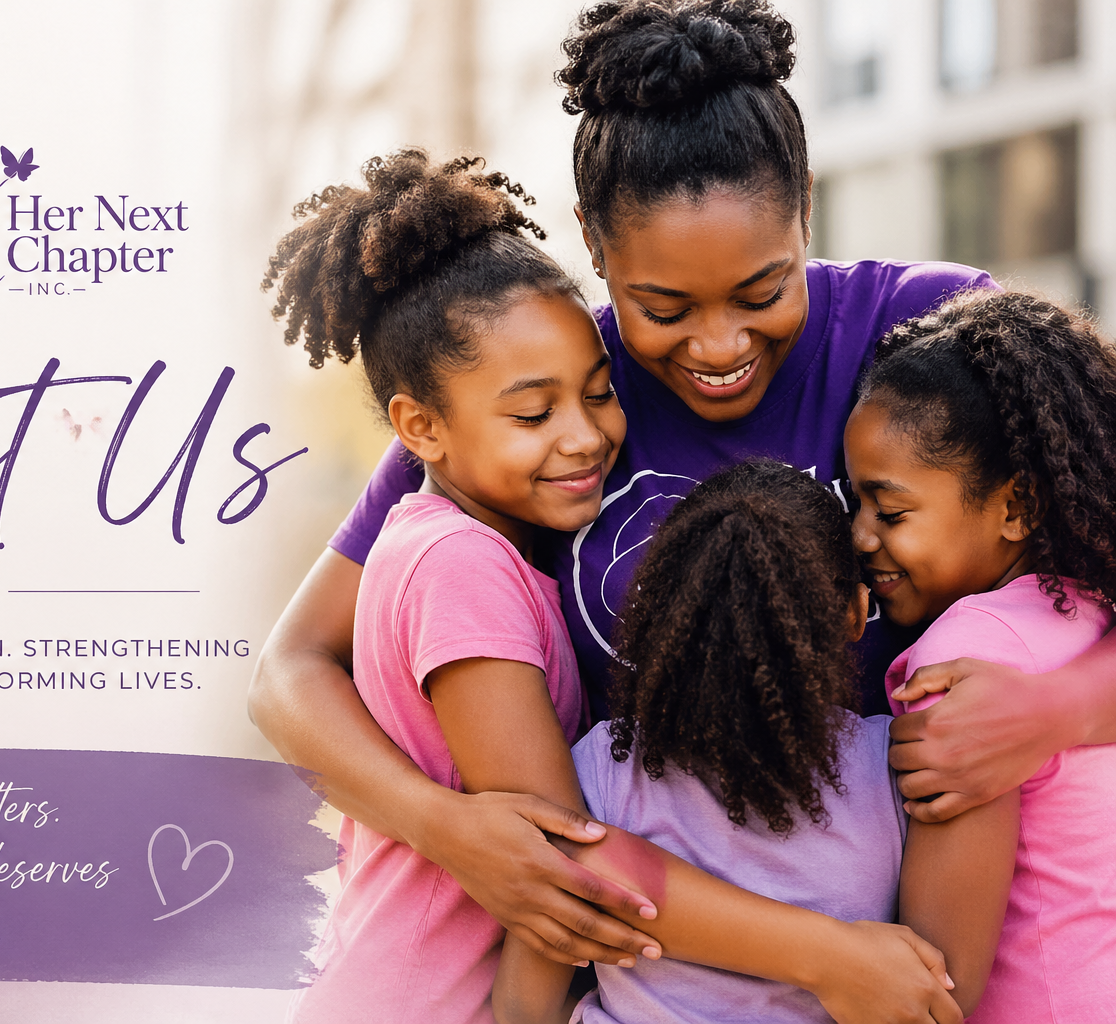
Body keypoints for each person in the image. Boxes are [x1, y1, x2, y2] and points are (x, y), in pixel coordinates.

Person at [250, 0, 1116, 976]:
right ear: (593, 242)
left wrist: (1059, 711)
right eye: (661, 306)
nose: (719, 347)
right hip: (653, 975)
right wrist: (453, 832)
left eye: (762, 292)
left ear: (806, 205)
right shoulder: (542, 391)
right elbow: (289, 674)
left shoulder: (927, 331)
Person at [268, 151, 954, 1024]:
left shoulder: (497, 487)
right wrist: (836, 960)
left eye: (598, 395)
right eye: (535, 415)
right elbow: (565, 861)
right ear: (419, 429)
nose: (586, 435)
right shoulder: (459, 556)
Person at [495, 459, 944, 1024]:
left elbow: (521, 1004)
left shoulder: (600, 769)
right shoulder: (900, 767)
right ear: (856, 613)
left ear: (662, 612)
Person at [847, 291, 1116, 1021]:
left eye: (891, 511)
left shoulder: (961, 662)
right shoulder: (1092, 610)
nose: (861, 536)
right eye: (856, 504)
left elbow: (940, 981)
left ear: (1016, 506)